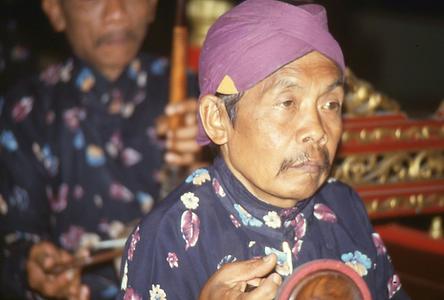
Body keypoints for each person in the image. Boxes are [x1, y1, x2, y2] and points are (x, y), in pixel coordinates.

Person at [118, 0, 410, 299]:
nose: (318, 131)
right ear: (217, 119)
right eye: (287, 103)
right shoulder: (171, 234)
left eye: (330, 104)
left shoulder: (342, 206)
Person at [0, 0, 201, 299]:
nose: (116, 12)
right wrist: (32, 264)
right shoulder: (25, 113)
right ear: (55, 10)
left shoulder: (202, 96)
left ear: (152, 6)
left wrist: (214, 154)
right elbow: (15, 239)